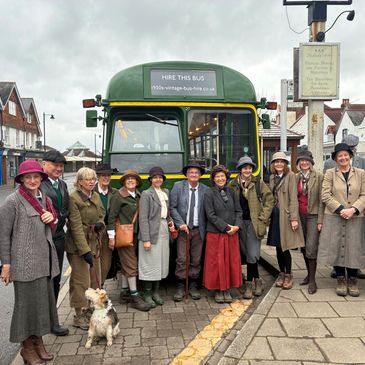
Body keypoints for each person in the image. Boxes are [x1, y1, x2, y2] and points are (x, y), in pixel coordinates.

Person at [0, 160, 60, 364]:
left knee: (42, 305)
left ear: (41, 178)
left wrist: (50, 219)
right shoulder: (12, 201)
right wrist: (6, 264)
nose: (33, 180)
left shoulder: (44, 200)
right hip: (23, 265)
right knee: (25, 307)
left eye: (36, 177)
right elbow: (3, 235)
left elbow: (49, 228)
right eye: (28, 177)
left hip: (44, 262)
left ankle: (38, 342)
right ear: (22, 180)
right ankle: (26, 347)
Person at [319, 143, 365, 297]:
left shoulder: (361, 173)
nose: (343, 158)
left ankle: (352, 279)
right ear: (335, 159)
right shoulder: (330, 174)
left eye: (346, 155)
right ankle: (340, 279)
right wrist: (340, 209)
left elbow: (364, 195)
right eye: (340, 156)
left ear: (350, 156)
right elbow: (325, 195)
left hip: (355, 216)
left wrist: (353, 209)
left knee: (354, 248)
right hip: (335, 216)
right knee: (336, 246)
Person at [65, 167, 105, 329]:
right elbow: (74, 226)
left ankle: (89, 310)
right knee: (81, 281)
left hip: (94, 242)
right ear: (79, 182)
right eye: (87, 179)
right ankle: (78, 314)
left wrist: (99, 225)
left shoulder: (95, 195)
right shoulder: (73, 198)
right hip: (78, 246)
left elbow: (102, 214)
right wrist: (84, 250)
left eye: (93, 179)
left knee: (95, 278)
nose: (91, 182)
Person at [230, 156, 274, 299]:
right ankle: (258, 281)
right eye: (244, 167)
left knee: (252, 254)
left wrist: (263, 218)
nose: (247, 170)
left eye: (249, 168)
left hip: (254, 223)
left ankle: (250, 284)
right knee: (246, 253)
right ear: (240, 170)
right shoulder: (233, 184)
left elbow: (269, 201)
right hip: (239, 224)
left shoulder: (258, 183)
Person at [107, 169, 151, 311]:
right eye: (128, 179)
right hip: (123, 235)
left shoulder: (138, 195)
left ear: (137, 182)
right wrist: (111, 237)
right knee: (131, 265)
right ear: (124, 182)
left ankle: (124, 292)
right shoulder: (118, 195)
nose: (131, 181)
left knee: (127, 263)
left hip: (135, 235)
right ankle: (135, 296)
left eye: (133, 179)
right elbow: (112, 217)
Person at [169, 161, 209, 302]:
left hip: (199, 230)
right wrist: (180, 224)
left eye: (196, 172)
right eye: (191, 172)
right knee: (182, 258)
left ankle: (192, 285)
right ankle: (181, 285)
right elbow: (172, 207)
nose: (193, 174)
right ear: (186, 174)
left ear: (200, 175)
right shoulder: (178, 187)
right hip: (183, 230)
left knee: (196, 259)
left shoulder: (205, 189)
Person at [203, 165, 243, 303]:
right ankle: (219, 290)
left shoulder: (232, 191)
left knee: (230, 261)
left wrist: (237, 226)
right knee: (217, 262)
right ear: (213, 179)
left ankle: (227, 289)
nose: (220, 179)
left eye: (222, 176)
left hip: (232, 233)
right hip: (216, 233)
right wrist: (226, 227)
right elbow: (210, 215)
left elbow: (239, 211)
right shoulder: (209, 193)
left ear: (226, 178)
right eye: (217, 176)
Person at [41, 149, 70, 336]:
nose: (58, 168)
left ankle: (53, 320)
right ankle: (43, 321)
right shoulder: (38, 185)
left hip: (59, 239)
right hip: (44, 240)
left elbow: (65, 209)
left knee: (56, 279)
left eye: (61, 166)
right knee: (43, 281)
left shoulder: (63, 185)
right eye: (55, 165)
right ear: (45, 164)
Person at [267, 151, 304, 290]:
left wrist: (294, 218)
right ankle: (281, 273)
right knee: (278, 246)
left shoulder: (291, 176)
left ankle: (289, 274)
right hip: (275, 216)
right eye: (276, 162)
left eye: (282, 161)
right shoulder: (272, 177)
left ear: (285, 164)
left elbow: (293, 199)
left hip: (286, 216)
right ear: (273, 164)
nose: (279, 164)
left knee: (286, 246)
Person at [138, 166, 173, 308]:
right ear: (151, 180)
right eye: (155, 177)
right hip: (151, 231)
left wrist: (171, 223)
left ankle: (156, 292)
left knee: (161, 261)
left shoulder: (166, 192)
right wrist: (146, 239)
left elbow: (167, 212)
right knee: (149, 262)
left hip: (164, 228)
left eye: (160, 177)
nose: (158, 179)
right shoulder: (146, 194)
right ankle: (147, 293)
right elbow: (143, 218)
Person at [296, 150, 324, 294]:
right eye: (301, 160)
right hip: (299, 215)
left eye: (307, 160)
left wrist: (320, 220)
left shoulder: (318, 177)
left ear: (311, 162)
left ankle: (313, 280)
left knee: (311, 247)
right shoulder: (296, 178)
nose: (304, 162)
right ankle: (308, 274)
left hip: (313, 215)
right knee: (303, 247)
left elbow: (321, 200)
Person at [93, 163, 118, 285]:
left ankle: (100, 287)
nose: (106, 178)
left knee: (106, 262)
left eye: (108, 175)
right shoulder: (91, 192)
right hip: (94, 232)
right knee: (94, 261)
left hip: (109, 231)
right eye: (103, 175)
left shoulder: (115, 192)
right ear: (98, 176)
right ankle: (94, 288)